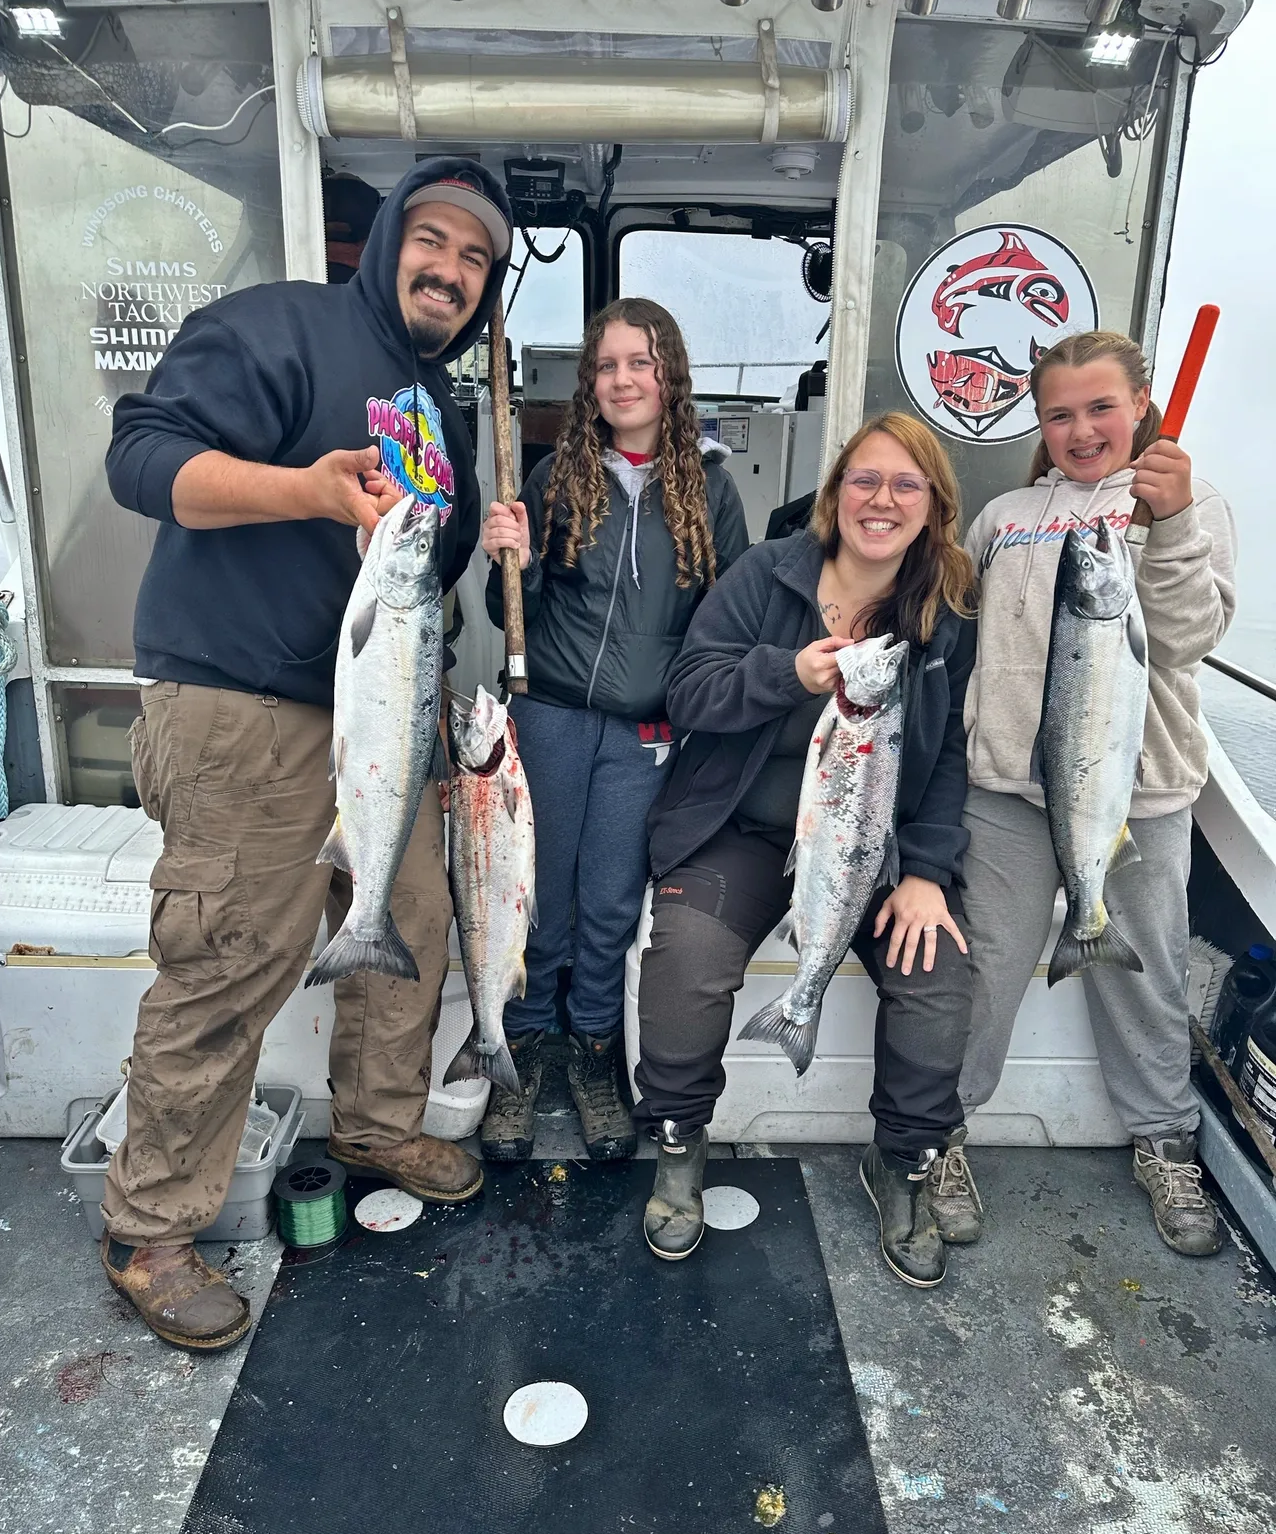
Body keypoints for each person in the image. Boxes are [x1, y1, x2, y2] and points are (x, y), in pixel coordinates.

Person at [99, 159, 515, 1351]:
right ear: (387, 241)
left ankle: (378, 1122)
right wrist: (302, 489)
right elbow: (141, 460)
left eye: (473, 258)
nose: (447, 268)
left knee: (409, 926)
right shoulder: (275, 327)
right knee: (234, 956)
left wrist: (483, 540)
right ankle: (153, 1226)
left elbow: (421, 574)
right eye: (430, 240)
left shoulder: (435, 403)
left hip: (383, 720)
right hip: (244, 710)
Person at [634, 412, 977, 1285]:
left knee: (937, 976)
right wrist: (787, 673)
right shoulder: (764, 576)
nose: (882, 499)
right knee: (684, 958)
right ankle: (678, 1144)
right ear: (835, 495)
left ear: (933, 505)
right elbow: (689, 690)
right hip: (741, 833)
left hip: (869, 849)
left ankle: (902, 1164)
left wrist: (929, 875)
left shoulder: (942, 611)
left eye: (906, 484)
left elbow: (944, 763)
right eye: (865, 479)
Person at [946, 330, 1237, 1258]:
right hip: (1006, 792)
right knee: (986, 967)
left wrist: (1178, 520)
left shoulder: (1180, 502)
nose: (1081, 429)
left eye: (1101, 408)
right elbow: (963, 631)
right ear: (1038, 420)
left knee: (1146, 971)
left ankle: (1163, 1140)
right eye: (1059, 413)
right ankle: (941, 1131)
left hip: (1138, 792)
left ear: (1143, 403)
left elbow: (1189, 634)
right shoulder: (1006, 516)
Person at [482, 299, 749, 1164]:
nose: (624, 378)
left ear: (669, 377)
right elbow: (505, 614)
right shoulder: (557, 480)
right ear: (589, 385)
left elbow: (727, 621)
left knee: (606, 903)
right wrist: (507, 560)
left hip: (645, 736)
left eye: (641, 362)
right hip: (549, 717)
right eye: (607, 365)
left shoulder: (712, 487)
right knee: (538, 901)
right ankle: (523, 1050)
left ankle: (596, 1051)